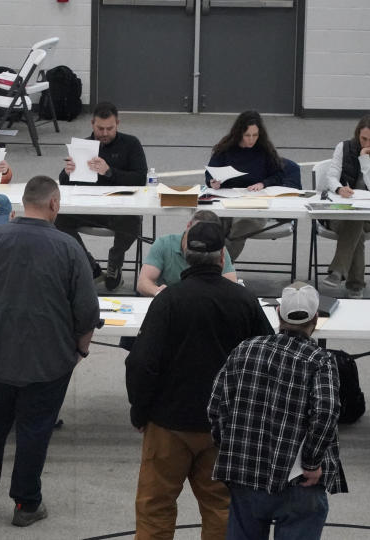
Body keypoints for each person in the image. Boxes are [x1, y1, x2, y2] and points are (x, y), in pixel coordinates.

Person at [0, 176, 100, 527]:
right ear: (54, 204)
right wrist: (79, 351)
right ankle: (26, 504)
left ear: (23, 202)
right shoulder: (68, 248)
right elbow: (87, 313)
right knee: (35, 431)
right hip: (48, 362)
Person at [125, 220, 273, 540]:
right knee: (220, 507)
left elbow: (141, 363)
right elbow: (267, 359)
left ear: (185, 254)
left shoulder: (168, 300)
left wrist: (140, 411)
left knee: (155, 506)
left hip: (168, 424)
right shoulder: (244, 301)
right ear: (223, 257)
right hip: (225, 427)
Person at [209, 282, 348, 539]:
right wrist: (312, 461)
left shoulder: (245, 349)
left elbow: (217, 406)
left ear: (278, 315)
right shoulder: (319, 361)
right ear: (316, 319)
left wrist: (229, 448)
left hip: (246, 475)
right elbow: (326, 412)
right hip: (298, 482)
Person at [56, 102, 147, 290]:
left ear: (118, 124)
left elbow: (140, 178)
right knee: (57, 217)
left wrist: (109, 172)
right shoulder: (83, 147)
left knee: (133, 221)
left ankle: (115, 261)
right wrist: (67, 172)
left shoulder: (131, 144)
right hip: (88, 208)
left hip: (119, 209)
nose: (105, 133)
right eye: (100, 128)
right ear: (92, 124)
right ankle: (88, 264)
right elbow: (64, 183)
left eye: (109, 128)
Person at [320, 114, 370, 298]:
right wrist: (339, 189)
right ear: (357, 134)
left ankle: (338, 271)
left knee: (357, 219)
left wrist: (364, 157)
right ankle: (355, 285)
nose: (367, 143)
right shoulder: (343, 147)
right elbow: (331, 176)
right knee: (355, 224)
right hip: (340, 214)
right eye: (363, 139)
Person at [205, 110, 286, 261]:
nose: (251, 140)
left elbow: (280, 175)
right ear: (239, 133)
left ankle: (215, 268)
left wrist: (264, 183)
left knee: (241, 226)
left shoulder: (264, 149)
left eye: (255, 135)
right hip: (227, 200)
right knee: (212, 224)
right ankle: (217, 270)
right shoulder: (225, 148)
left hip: (254, 204)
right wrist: (212, 182)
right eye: (247, 135)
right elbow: (210, 173)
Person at [136, 210, 236, 297]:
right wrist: (157, 292)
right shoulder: (164, 244)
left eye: (209, 235)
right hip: (170, 302)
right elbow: (143, 282)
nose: (201, 238)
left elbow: (231, 285)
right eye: (197, 231)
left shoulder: (217, 249)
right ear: (188, 226)